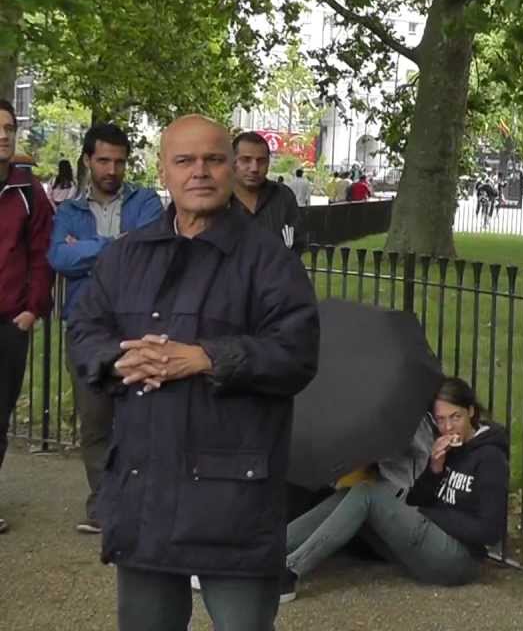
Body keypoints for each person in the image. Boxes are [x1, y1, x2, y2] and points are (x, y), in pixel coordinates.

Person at [66, 115, 320, 630]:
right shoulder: (127, 255)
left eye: (213, 159)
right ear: (163, 170)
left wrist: (206, 357)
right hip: (146, 490)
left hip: (233, 498)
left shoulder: (268, 259)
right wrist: (118, 358)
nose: (199, 171)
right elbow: (84, 329)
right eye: (184, 160)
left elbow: (296, 353)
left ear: (230, 169)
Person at [282, 378, 509, 595]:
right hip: (431, 544)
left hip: (460, 560)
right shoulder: (449, 448)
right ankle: (273, 547)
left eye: (455, 417)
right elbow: (416, 500)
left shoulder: (490, 458)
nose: (448, 427)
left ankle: (290, 570)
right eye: (441, 420)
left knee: (367, 493)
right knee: (351, 493)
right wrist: (435, 469)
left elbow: (489, 532)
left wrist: (433, 515)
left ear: (471, 411)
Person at [48, 123, 164, 534]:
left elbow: (150, 251)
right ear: (87, 160)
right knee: (95, 422)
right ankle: (104, 505)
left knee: (142, 420)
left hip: (138, 324)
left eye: (119, 161)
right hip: (88, 328)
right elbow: (58, 258)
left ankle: (141, 503)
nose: (112, 169)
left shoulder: (145, 201)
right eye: (103, 160)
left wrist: (87, 249)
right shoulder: (69, 211)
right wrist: (118, 244)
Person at [0, 98, 54, 536]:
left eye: (8, 127)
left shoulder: (29, 192)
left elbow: (41, 254)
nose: (3, 135)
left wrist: (32, 309)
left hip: (8, 323)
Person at [231, 131, 305, 251]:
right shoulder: (218, 199)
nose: (254, 168)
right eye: (246, 160)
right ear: (232, 161)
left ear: (268, 163)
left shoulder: (283, 196)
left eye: (261, 161)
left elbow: (297, 243)